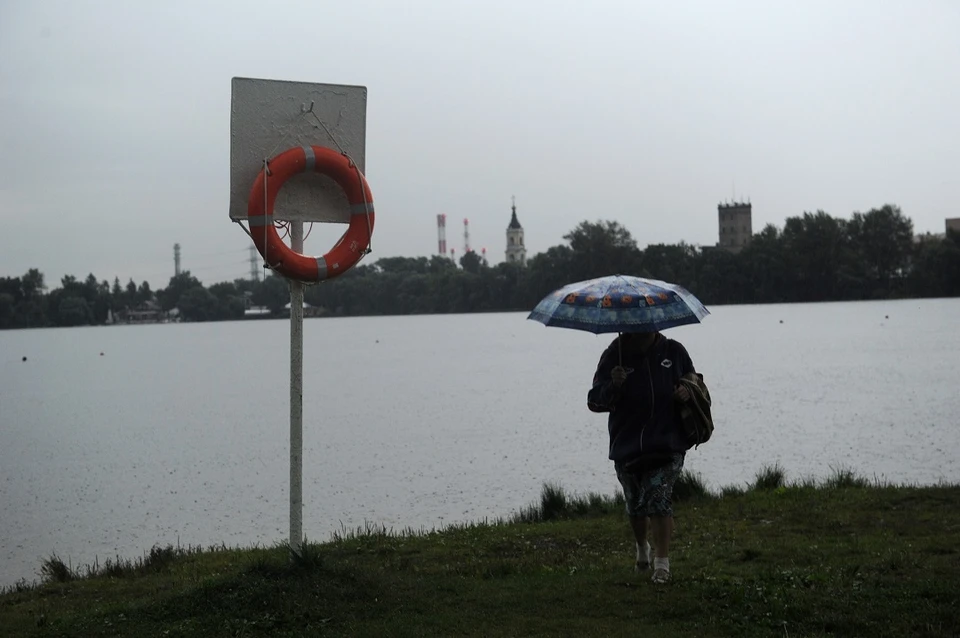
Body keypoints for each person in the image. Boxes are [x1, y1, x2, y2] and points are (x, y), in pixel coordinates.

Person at [587, 330, 696, 584]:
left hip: (668, 443)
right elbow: (594, 401)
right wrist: (613, 385)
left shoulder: (674, 351)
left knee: (658, 497)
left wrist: (687, 392)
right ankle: (642, 549)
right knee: (635, 504)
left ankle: (662, 565)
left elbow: (695, 383)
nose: (643, 324)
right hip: (627, 445)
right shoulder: (614, 354)